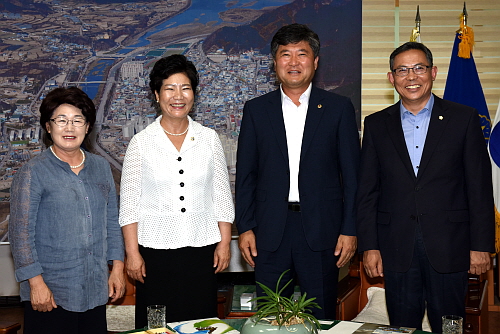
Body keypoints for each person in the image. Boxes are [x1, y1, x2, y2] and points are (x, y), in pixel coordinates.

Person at [356, 42, 495, 332]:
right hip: (396, 248)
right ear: (391, 78)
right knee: (402, 326)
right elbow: (368, 192)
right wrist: (369, 246)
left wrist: (481, 246)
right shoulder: (377, 124)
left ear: (433, 72)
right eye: (402, 70)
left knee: (450, 325)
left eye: (419, 68)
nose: (411, 76)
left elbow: (479, 188)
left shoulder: (463, 118)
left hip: (451, 246)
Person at [235, 23, 360, 319]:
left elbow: (353, 176)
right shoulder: (256, 110)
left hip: (322, 232)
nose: (293, 62)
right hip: (269, 231)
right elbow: (246, 175)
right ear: (274, 62)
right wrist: (246, 227)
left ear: (315, 62)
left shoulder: (338, 108)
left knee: (321, 317)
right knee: (270, 317)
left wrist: (349, 229)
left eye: (301, 54)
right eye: (285, 54)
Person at [119, 54, 234, 327]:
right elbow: (130, 204)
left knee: (200, 323)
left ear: (194, 93)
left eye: (185, 88)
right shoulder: (141, 143)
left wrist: (225, 243)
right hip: (154, 253)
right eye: (169, 88)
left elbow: (221, 195)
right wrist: (132, 253)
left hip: (202, 250)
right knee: (155, 325)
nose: (178, 96)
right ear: (157, 95)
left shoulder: (209, 139)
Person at [9, 87, 125, 334]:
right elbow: (20, 235)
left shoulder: (101, 167)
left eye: (77, 120)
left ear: (87, 127)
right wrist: (35, 283)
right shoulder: (33, 172)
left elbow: (112, 222)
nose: (69, 128)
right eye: (61, 120)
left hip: (94, 288)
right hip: (51, 293)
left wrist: (117, 268)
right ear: (48, 127)